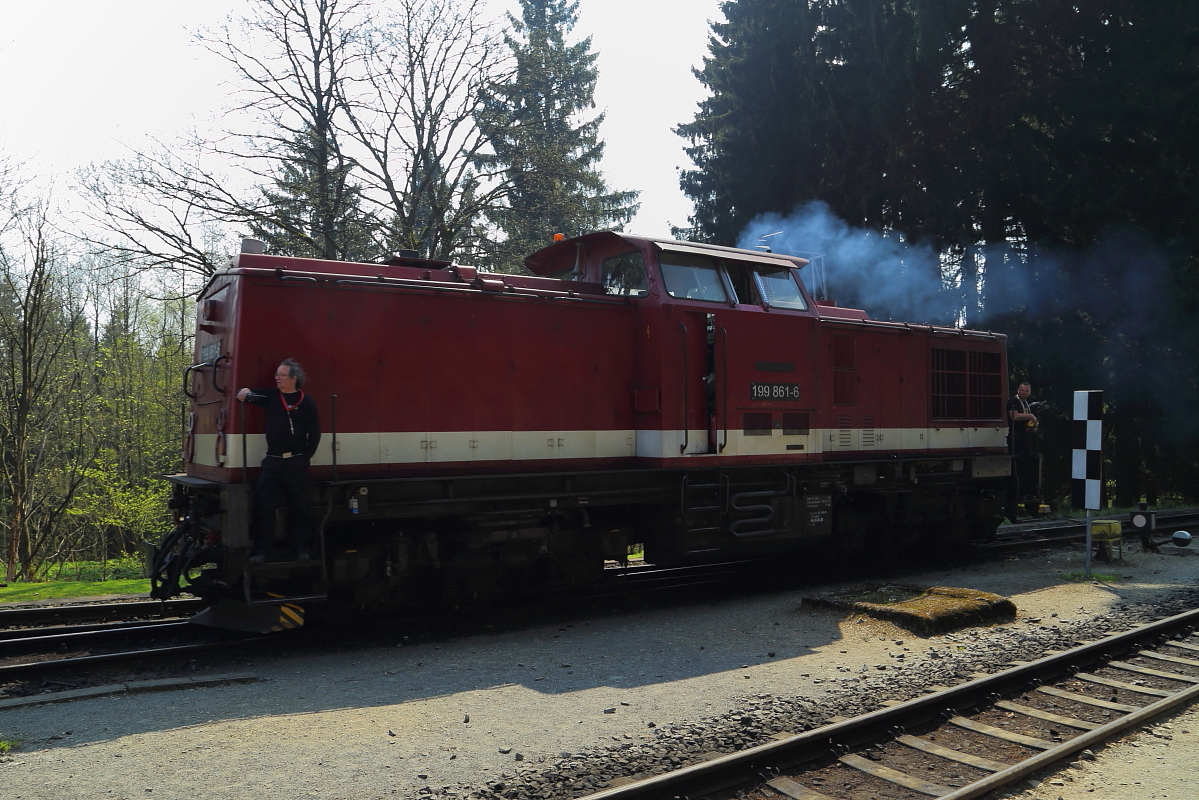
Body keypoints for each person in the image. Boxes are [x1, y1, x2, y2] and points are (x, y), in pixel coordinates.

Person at [237, 359, 321, 563]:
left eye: (281, 375)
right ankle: (263, 552)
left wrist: (305, 458)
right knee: (264, 507)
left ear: (294, 378)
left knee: (300, 507)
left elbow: (315, 432)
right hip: (272, 463)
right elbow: (247, 393)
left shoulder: (306, 402)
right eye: (277, 374)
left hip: (296, 463)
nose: (277, 378)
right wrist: (245, 392)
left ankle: (300, 550)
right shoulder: (271, 396)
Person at [1007, 381, 1038, 501]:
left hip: (1026, 437)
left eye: (1026, 391)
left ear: (1029, 393)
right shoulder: (1013, 402)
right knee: (1018, 466)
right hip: (1016, 438)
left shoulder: (1026, 404)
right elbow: (1014, 416)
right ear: (1018, 390)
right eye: (1022, 390)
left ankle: (1025, 492)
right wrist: (1030, 416)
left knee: (1026, 466)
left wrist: (1033, 426)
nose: (1024, 392)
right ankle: (1017, 494)